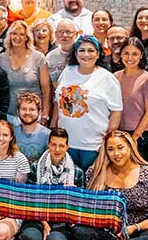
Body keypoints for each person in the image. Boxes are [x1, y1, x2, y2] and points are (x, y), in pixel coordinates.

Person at [66, 131, 148, 240]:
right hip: (108, 232)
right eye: (110, 149)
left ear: (130, 147)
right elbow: (88, 209)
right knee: (79, 231)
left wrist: (134, 228)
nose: (116, 154)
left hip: (142, 231)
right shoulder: (95, 173)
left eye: (120, 147)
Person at [50, 35, 122, 171]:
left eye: (91, 50)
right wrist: (53, 129)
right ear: (75, 53)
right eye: (82, 50)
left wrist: (108, 141)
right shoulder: (67, 72)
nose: (86, 54)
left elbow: (116, 112)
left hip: (93, 146)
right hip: (65, 144)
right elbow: (57, 102)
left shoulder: (107, 78)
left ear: (98, 53)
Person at [19, 128, 80, 240]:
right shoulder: (36, 167)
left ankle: (51, 238)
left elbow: (79, 206)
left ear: (67, 147)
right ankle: (42, 235)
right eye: (54, 145)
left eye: (61, 145)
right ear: (48, 145)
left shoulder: (77, 173)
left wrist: (72, 195)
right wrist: (45, 225)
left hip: (61, 220)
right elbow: (31, 199)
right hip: (38, 216)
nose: (57, 149)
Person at [0, 21, 48, 125]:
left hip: (33, 115)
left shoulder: (38, 58)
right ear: (9, 35)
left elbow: (46, 90)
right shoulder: (1, 59)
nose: (17, 37)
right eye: (14, 33)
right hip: (9, 115)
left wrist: (45, 115)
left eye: (21, 34)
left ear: (27, 37)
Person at [115, 37, 148, 162]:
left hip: (141, 133)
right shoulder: (115, 77)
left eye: (135, 54)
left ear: (141, 56)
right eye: (126, 53)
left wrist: (135, 136)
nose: (130, 58)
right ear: (121, 54)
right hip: (120, 132)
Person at [12, 93, 49, 165]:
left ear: (39, 112)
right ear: (17, 111)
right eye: (23, 109)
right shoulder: (12, 133)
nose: (27, 112)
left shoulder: (47, 135)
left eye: (32, 109)